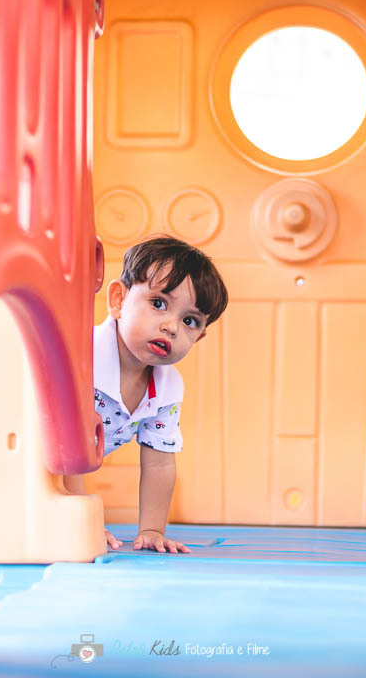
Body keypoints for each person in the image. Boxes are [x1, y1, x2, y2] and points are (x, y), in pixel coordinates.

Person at [85, 236, 228, 553]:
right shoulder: (83, 358)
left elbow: (159, 464)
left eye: (189, 321)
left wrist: (151, 530)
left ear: (199, 336)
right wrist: (81, 521)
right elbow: (65, 449)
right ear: (118, 300)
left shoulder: (166, 387)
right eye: (159, 303)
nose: (172, 326)